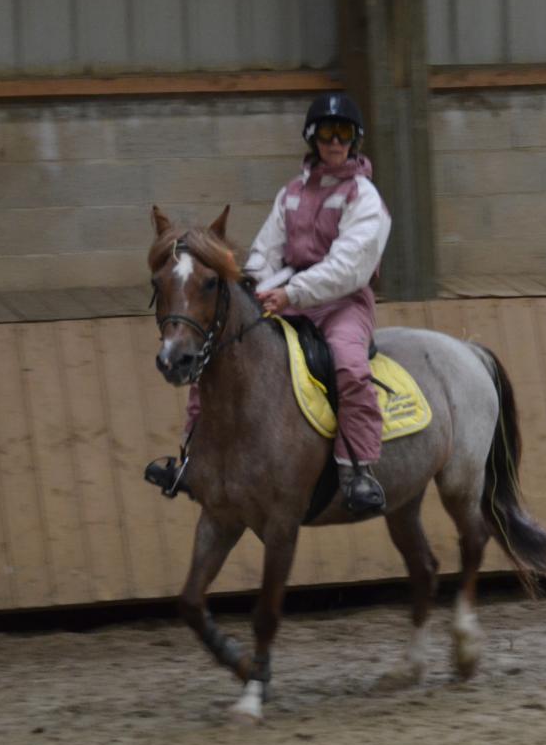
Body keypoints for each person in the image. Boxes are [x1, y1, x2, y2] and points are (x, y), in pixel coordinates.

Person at [150, 93, 391, 515]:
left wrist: (291, 292)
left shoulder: (364, 198)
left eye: (344, 134)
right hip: (288, 298)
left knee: (349, 366)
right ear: (313, 139)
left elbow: (347, 266)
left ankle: (358, 470)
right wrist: (255, 286)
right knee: (216, 353)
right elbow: (266, 250)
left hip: (342, 304)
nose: (335, 142)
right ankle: (192, 459)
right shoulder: (291, 194)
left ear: (355, 141)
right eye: (327, 134)